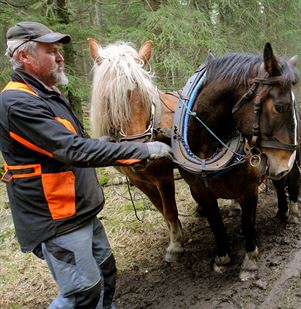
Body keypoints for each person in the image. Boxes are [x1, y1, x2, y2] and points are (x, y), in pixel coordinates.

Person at [0, 21, 172, 308]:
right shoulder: (18, 102)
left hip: (79, 209)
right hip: (57, 218)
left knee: (105, 274)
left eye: (59, 49)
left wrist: (105, 142)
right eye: (50, 50)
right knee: (82, 291)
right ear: (24, 57)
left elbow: (70, 142)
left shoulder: (49, 95)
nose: (60, 56)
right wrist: (141, 150)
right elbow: (70, 149)